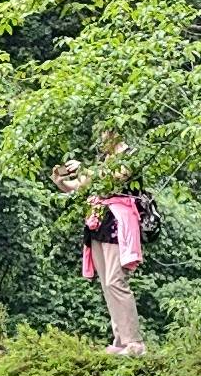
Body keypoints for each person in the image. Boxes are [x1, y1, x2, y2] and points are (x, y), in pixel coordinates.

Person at [52, 133, 146, 354]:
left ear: (116, 132)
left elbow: (115, 177)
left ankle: (134, 342)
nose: (101, 139)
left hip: (119, 222)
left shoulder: (129, 155)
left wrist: (84, 169)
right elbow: (82, 186)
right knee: (106, 283)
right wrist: (62, 181)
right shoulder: (104, 160)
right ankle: (121, 340)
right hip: (100, 221)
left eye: (105, 134)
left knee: (115, 280)